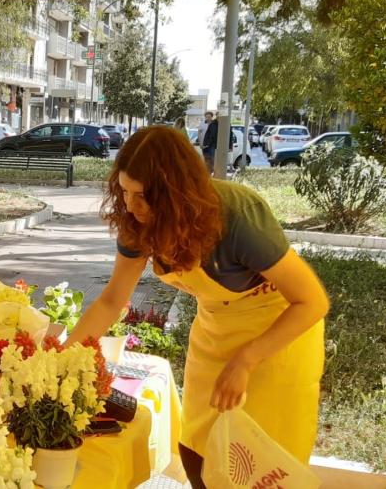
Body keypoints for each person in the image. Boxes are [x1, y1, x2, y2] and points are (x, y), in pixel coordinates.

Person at [65, 126, 328, 488]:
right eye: (124, 191)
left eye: (142, 195)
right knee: (198, 453)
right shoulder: (137, 223)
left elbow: (312, 300)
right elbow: (112, 299)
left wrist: (247, 359)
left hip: (277, 338)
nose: (131, 206)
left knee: (259, 466)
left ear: (175, 194)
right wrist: (62, 357)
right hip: (215, 331)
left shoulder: (238, 216)